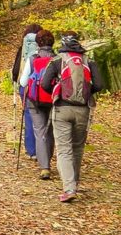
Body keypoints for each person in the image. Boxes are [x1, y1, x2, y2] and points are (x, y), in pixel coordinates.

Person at [40, 31, 104, 202]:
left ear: (63, 44)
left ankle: (69, 189)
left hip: (62, 109)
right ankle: (74, 183)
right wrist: (86, 92)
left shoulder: (57, 60)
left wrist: (58, 90)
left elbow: (44, 84)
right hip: (83, 109)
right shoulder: (89, 61)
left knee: (64, 149)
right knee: (77, 148)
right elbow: (99, 84)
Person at [19, 29, 56, 180]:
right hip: (53, 99)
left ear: (37, 43)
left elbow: (23, 82)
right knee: (50, 131)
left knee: (39, 131)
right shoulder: (58, 58)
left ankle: (44, 167)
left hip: (34, 100)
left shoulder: (33, 58)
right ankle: (48, 158)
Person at [12, 24, 42, 161]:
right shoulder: (44, 47)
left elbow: (15, 69)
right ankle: (44, 149)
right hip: (42, 86)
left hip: (25, 87)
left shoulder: (23, 48)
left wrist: (16, 81)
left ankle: (31, 150)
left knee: (29, 117)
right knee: (43, 117)